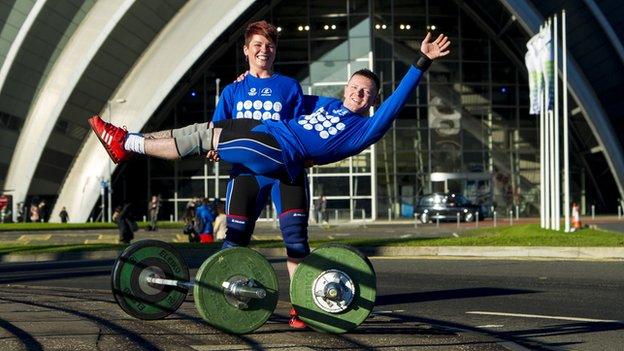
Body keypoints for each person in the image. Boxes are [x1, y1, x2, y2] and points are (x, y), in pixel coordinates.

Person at [90, 30, 449, 327]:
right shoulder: (324, 105)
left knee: (206, 139)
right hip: (263, 142)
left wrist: (422, 61)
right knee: (203, 134)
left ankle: (127, 143)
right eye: (354, 87)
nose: (358, 94)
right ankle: (128, 141)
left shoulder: (367, 128)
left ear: (373, 102)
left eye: (366, 93)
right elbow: (281, 94)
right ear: (345, 89)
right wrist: (245, 81)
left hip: (279, 154)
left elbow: (397, 101)